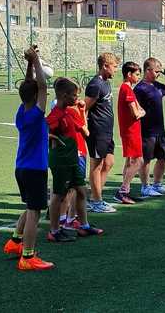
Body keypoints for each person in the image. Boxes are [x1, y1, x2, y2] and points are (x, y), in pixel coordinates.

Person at [3, 46, 54, 270]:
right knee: (35, 212)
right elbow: (42, 85)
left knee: (30, 206)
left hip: (22, 168)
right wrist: (36, 59)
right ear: (36, 96)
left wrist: (29, 65)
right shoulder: (35, 113)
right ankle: (28, 256)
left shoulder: (21, 112)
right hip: (35, 169)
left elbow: (31, 86)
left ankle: (15, 241)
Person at [46, 78, 104, 242]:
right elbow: (44, 130)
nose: (77, 98)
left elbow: (83, 131)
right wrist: (52, 137)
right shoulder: (56, 114)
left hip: (72, 159)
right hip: (61, 161)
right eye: (74, 95)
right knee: (59, 195)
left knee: (81, 190)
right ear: (64, 96)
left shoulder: (69, 112)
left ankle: (83, 226)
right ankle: (54, 231)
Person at [134, 58, 165, 196]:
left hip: (160, 129)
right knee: (146, 159)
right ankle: (145, 186)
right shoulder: (140, 88)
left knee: (164, 156)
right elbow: (135, 108)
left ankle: (157, 184)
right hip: (147, 130)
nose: (159, 74)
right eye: (157, 71)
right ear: (148, 70)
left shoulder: (157, 85)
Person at [85, 53, 119, 213]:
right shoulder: (95, 84)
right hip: (97, 131)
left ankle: (94, 196)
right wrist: (84, 129)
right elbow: (83, 108)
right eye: (114, 66)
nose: (116, 70)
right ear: (105, 66)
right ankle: (96, 201)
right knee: (96, 166)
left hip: (107, 131)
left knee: (109, 163)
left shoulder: (106, 83)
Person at [114, 62, 146, 204]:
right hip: (130, 131)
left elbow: (139, 108)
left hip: (130, 130)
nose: (139, 77)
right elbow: (136, 113)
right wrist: (141, 112)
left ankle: (125, 191)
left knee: (130, 161)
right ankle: (123, 190)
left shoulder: (127, 89)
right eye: (137, 74)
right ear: (129, 74)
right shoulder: (126, 89)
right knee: (138, 161)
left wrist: (141, 111)